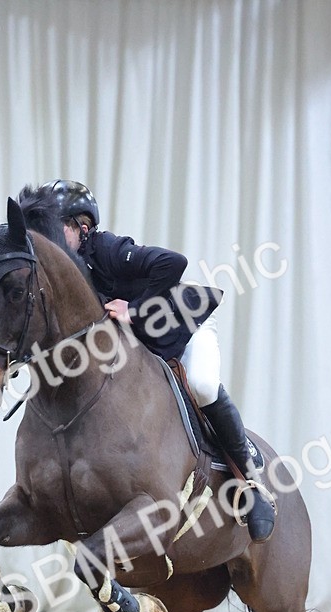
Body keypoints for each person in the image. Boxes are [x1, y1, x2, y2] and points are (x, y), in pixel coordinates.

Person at [42, 179, 276, 543]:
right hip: (145, 344)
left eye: (56, 229)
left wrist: (134, 310)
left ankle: (252, 477)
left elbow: (173, 262)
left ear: (82, 227)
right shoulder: (70, 271)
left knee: (201, 384)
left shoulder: (106, 248)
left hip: (184, 325)